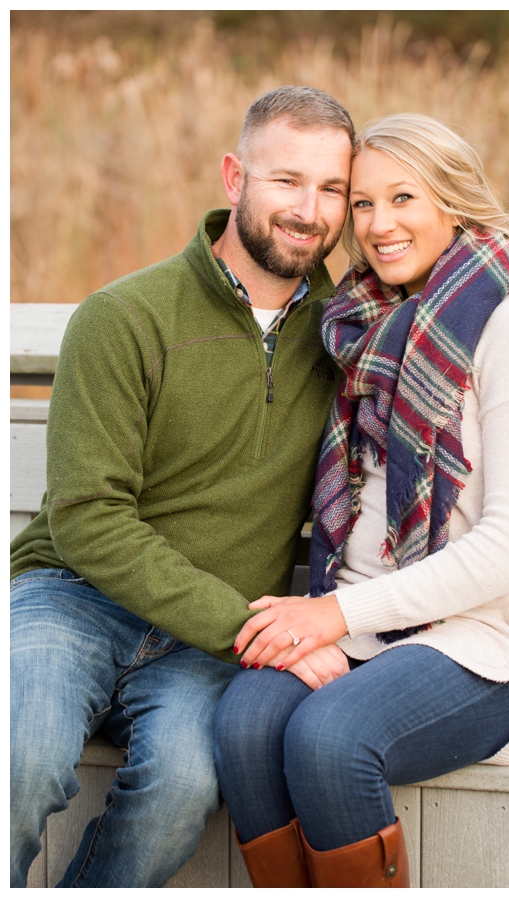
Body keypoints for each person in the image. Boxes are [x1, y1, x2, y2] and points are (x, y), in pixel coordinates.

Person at [211, 113, 509, 888]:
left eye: (404, 198)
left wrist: (332, 617)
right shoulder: (364, 321)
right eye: (364, 206)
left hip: (478, 644)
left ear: (455, 201)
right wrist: (336, 616)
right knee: (245, 723)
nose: (380, 226)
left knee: (328, 737)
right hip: (361, 620)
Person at [9, 86, 355, 888]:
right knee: (17, 763)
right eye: (286, 181)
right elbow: (89, 518)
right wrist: (250, 629)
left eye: (331, 189)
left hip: (207, 644)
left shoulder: (346, 334)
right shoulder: (124, 316)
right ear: (234, 178)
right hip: (77, 595)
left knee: (184, 790)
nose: (309, 210)